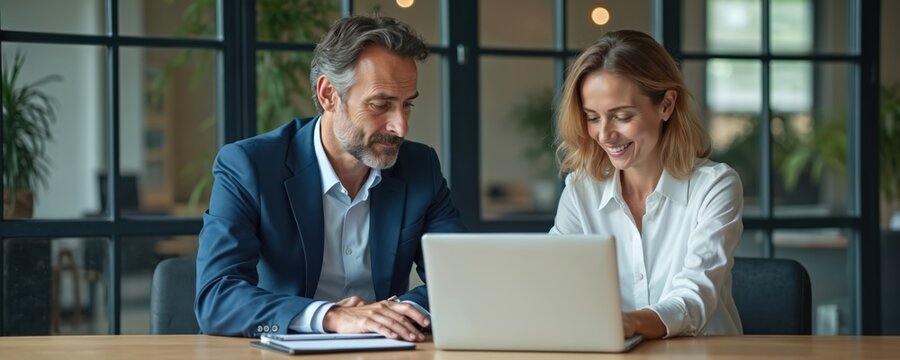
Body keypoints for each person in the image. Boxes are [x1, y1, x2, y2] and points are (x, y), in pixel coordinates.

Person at [195, 15, 467, 341]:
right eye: (380, 105)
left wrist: (396, 315)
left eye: (407, 105)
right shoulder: (249, 166)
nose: (401, 127)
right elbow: (216, 298)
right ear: (328, 95)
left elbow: (461, 277)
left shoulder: (420, 167)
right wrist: (332, 317)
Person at [550, 30, 743, 339]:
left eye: (622, 116)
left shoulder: (715, 186)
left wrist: (631, 323)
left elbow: (693, 299)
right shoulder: (579, 190)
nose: (605, 135)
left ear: (666, 105)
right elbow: (553, 279)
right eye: (592, 118)